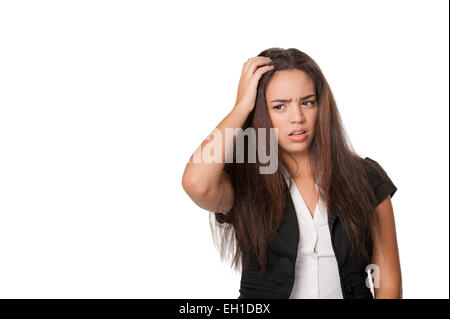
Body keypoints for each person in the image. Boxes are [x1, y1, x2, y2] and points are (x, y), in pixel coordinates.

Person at [182, 47, 402, 299]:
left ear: (322, 106)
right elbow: (196, 182)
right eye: (280, 106)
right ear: (261, 112)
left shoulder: (366, 178)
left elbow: (388, 284)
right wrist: (241, 107)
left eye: (307, 102)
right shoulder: (245, 182)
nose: (297, 117)